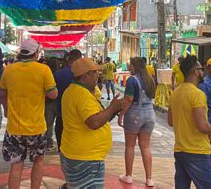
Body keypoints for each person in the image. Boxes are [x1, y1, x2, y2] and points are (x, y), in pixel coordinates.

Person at [0, 39, 58, 189]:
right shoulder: (43, 70)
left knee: (16, 164)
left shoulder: (9, 70)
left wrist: (6, 110)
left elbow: (2, 94)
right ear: (35, 53)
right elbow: (53, 95)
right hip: (36, 127)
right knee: (38, 161)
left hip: (14, 127)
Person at [60, 58, 122, 188]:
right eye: (95, 73)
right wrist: (112, 108)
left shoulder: (71, 91)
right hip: (86, 159)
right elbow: (93, 122)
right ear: (85, 75)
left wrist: (113, 110)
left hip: (76, 154)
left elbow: (95, 116)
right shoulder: (82, 95)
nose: (98, 76)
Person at [167, 55, 211, 189]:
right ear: (196, 72)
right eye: (201, 69)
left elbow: (170, 121)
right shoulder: (197, 94)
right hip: (197, 151)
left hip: (180, 150)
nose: (203, 72)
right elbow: (202, 126)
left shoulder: (175, 93)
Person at [118, 57, 156, 187]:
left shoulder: (132, 80)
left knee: (130, 146)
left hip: (135, 114)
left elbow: (128, 99)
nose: (129, 68)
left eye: (131, 65)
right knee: (145, 146)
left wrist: (121, 115)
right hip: (150, 114)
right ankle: (149, 178)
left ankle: (128, 175)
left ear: (135, 66)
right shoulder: (150, 79)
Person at [54, 49, 82, 151]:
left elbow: (52, 94)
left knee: (61, 143)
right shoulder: (83, 75)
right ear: (79, 59)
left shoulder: (58, 74)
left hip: (61, 112)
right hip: (79, 115)